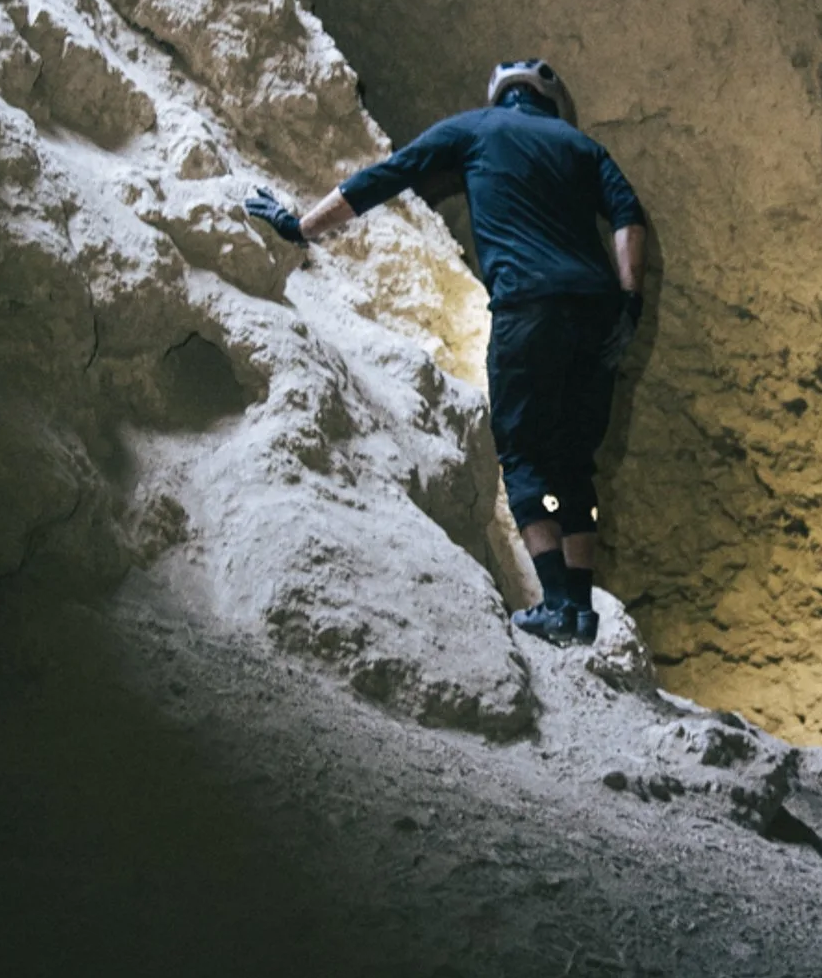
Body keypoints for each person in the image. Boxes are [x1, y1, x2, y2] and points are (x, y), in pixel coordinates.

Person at [244, 60, 647, 646]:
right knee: (573, 464)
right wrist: (629, 301)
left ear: (501, 93)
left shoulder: (475, 129)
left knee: (527, 453)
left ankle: (556, 605)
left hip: (529, 312)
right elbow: (628, 217)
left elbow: (387, 176)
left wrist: (302, 226)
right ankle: (581, 609)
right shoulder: (583, 148)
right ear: (550, 100)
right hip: (597, 317)